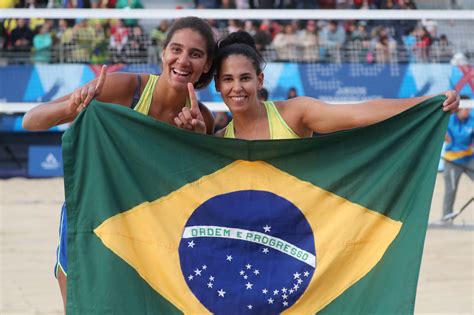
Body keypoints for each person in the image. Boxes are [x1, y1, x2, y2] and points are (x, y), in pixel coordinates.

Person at [22, 16, 217, 310]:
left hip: (150, 230)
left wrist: (199, 141)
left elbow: (198, 191)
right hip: (94, 215)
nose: (183, 59)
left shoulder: (202, 119)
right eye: (176, 49)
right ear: (163, 53)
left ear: (207, 66)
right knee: (81, 305)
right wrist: (71, 107)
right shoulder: (127, 88)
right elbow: (31, 120)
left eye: (196, 54)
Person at [175, 31, 459, 142]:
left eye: (245, 78)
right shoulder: (221, 139)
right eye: (228, 79)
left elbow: (360, 113)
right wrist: (200, 142)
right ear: (218, 85)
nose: (237, 87)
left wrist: (427, 102)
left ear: (259, 80)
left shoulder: (294, 114)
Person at [441, 102, 473, 222]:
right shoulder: (448, 121)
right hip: (453, 161)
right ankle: (446, 218)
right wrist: (442, 135)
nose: (469, 111)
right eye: (466, 109)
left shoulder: (471, 120)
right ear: (459, 109)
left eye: (470, 109)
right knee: (451, 190)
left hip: (469, 158)